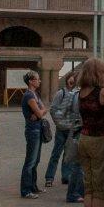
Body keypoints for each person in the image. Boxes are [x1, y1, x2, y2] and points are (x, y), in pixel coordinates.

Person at [74, 58, 104, 207]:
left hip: (84, 139)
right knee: (100, 189)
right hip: (100, 140)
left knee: (88, 186)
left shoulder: (81, 92)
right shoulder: (103, 93)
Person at [46, 69, 81, 188]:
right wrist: (59, 123)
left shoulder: (77, 93)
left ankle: (66, 176)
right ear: (67, 79)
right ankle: (49, 177)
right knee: (56, 153)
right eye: (71, 78)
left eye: (74, 78)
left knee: (68, 154)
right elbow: (53, 109)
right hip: (62, 129)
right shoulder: (61, 93)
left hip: (72, 129)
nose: (72, 80)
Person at [20, 70, 48, 199]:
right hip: (32, 130)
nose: (39, 80)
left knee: (35, 160)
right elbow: (40, 113)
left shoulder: (35, 94)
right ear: (31, 81)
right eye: (37, 79)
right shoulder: (29, 96)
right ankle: (26, 190)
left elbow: (44, 110)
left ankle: (33, 186)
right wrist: (40, 112)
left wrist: (40, 112)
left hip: (38, 128)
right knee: (30, 161)